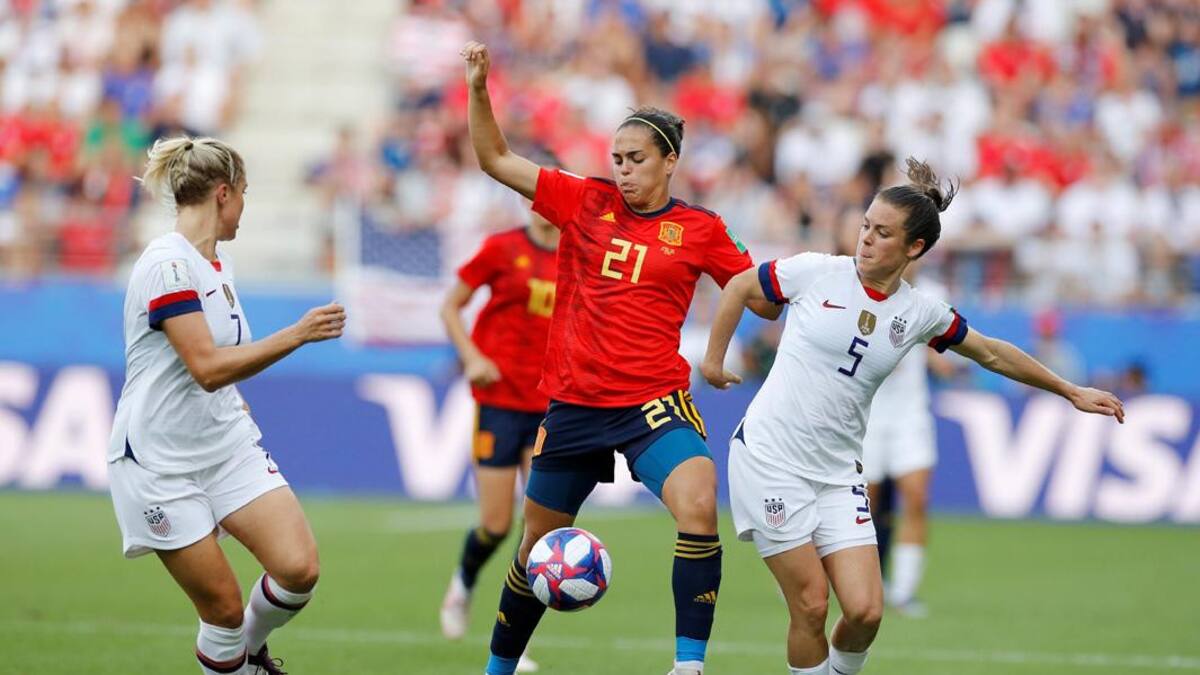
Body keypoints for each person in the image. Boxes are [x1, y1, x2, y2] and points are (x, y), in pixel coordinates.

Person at [702, 158, 1124, 675]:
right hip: (770, 459)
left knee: (865, 612)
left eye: (882, 233)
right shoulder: (818, 272)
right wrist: (713, 360)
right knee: (811, 606)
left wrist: (1067, 388)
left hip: (836, 472)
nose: (866, 240)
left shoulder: (921, 312)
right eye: (864, 227)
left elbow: (990, 352)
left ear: (914, 248)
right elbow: (742, 286)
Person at [461, 40, 780, 675]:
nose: (624, 169)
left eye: (636, 159)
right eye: (617, 159)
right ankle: (498, 669)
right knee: (535, 550)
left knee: (698, 505)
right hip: (575, 403)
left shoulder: (703, 228)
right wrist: (477, 88)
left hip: (653, 401)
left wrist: (764, 305)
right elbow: (495, 157)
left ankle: (688, 666)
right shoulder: (583, 199)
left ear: (670, 162)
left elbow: (757, 297)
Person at [106, 136, 346, 675]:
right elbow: (207, 367)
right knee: (222, 610)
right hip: (159, 462)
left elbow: (218, 370)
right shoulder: (167, 267)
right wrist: (298, 334)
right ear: (223, 194)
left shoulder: (218, 263)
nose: (244, 205)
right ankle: (236, 661)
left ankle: (250, 660)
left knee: (298, 568)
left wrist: (236, 404)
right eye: (243, 193)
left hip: (222, 444)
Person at [439, 164, 562, 674]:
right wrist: (471, 355)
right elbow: (451, 307)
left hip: (551, 408)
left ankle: (516, 641)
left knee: (538, 529)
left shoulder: (581, 257)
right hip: (499, 400)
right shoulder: (501, 248)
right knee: (495, 523)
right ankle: (463, 584)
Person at [860, 264, 957, 618]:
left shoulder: (933, 294)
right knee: (863, 507)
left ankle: (903, 592)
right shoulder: (862, 288)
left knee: (916, 499)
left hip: (910, 414)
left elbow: (939, 343)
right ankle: (864, 585)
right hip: (867, 414)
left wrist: (941, 361)